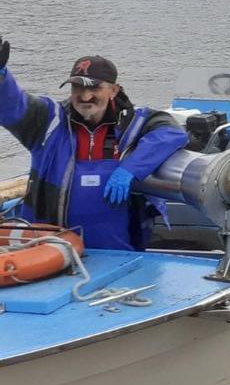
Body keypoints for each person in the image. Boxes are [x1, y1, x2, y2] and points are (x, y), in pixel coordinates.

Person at [0, 35, 188, 251]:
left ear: (114, 90)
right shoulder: (47, 121)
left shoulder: (137, 122)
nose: (85, 96)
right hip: (48, 249)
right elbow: (11, 106)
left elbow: (172, 132)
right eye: (77, 88)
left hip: (120, 253)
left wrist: (130, 169)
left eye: (95, 88)